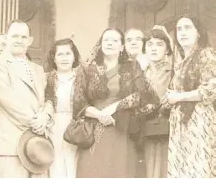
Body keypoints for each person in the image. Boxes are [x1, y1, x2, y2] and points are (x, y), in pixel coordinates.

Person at [76, 28, 159, 178]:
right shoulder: (87, 69)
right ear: (100, 44)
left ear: (122, 47)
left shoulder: (132, 67)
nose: (110, 43)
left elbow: (146, 96)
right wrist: (100, 115)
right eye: (106, 40)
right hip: (93, 129)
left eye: (115, 41)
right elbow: (79, 103)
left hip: (121, 127)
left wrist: (116, 106)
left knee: (119, 170)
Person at [0, 19, 54, 178]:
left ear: (30, 40)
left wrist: (45, 117)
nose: (18, 40)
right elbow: (5, 97)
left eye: (23, 37)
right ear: (6, 37)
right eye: (14, 36)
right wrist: (34, 121)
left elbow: (45, 99)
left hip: (37, 142)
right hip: (10, 141)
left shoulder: (37, 69)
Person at [163, 16, 216, 178]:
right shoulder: (180, 61)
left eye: (188, 28)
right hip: (179, 123)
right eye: (179, 29)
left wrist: (178, 97)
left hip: (199, 121)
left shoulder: (206, 54)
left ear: (198, 33)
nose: (183, 32)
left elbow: (210, 90)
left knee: (198, 169)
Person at [44, 38, 86, 178]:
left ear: (74, 57)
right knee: (55, 162)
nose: (64, 58)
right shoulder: (46, 78)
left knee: (74, 162)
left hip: (75, 125)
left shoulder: (82, 77)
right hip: (53, 125)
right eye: (60, 54)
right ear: (54, 58)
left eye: (68, 54)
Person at [142, 27, 174, 178]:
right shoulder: (140, 73)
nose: (153, 48)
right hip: (141, 130)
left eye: (159, 44)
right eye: (150, 44)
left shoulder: (173, 72)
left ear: (167, 49)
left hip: (164, 130)